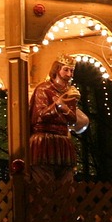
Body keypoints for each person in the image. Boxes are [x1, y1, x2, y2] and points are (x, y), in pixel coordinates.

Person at [28, 53, 89, 186]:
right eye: (66, 69)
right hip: (44, 140)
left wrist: (64, 105)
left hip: (62, 141)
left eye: (72, 71)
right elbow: (40, 115)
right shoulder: (44, 89)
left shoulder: (69, 92)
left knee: (66, 185)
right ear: (57, 70)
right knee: (44, 185)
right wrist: (58, 105)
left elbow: (73, 119)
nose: (69, 74)